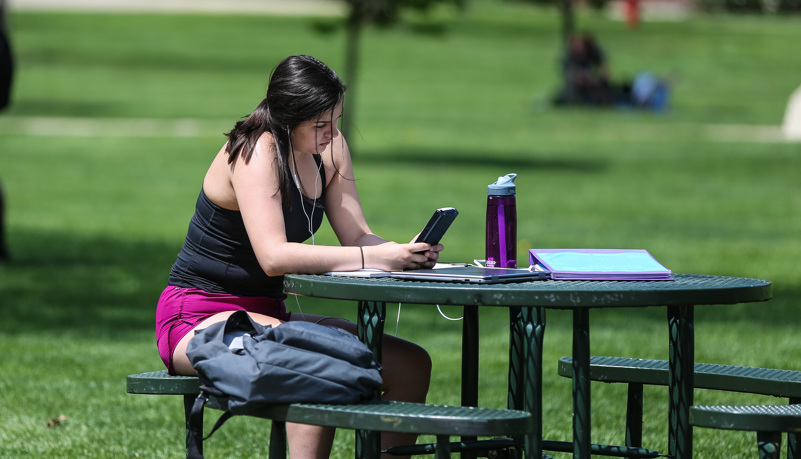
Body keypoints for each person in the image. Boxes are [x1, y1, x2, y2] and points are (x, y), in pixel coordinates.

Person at [155, 55, 438, 458]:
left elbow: (356, 235)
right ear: (288, 118)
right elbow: (273, 256)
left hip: (269, 314)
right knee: (317, 366)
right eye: (320, 124)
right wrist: (375, 258)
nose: (332, 132)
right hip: (198, 317)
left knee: (410, 364)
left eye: (336, 120)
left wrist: (402, 253)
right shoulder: (257, 149)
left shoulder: (331, 149)